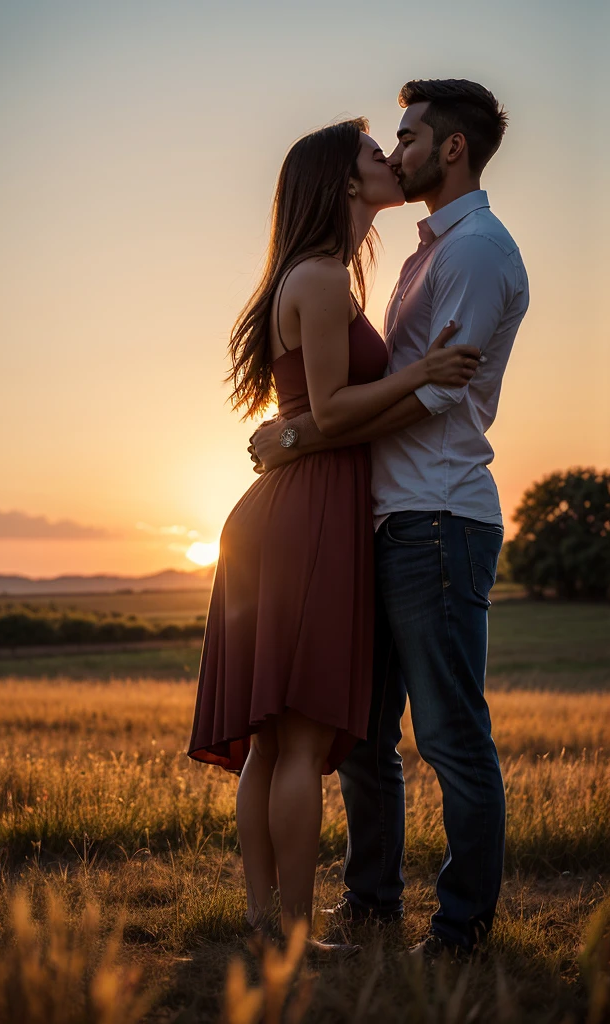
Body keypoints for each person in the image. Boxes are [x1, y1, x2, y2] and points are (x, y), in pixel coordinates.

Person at [250, 79, 530, 961]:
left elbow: (440, 390)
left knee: (451, 735)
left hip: (439, 515)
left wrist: (302, 434)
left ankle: (460, 928)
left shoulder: (477, 250)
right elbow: (368, 388)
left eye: (405, 137)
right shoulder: (418, 254)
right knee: (367, 740)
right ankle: (371, 903)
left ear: (450, 149)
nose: (394, 152)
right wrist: (312, 429)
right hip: (383, 517)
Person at [188, 116, 480, 950]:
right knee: (299, 731)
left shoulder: (319, 276)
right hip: (308, 512)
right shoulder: (319, 279)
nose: (387, 160)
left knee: (275, 738)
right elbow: (331, 407)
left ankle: (264, 923)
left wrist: (300, 431)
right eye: (369, 153)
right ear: (345, 183)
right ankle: (290, 931)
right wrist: (422, 371)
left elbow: (308, 416)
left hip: (296, 504)